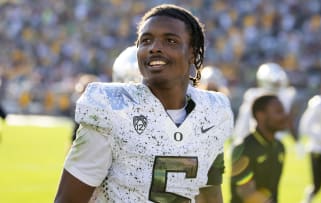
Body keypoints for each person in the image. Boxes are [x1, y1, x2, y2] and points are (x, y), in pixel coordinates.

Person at [54, 4, 234, 203]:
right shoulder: (110, 107)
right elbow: (68, 199)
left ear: (193, 52)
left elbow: (210, 192)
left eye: (170, 41)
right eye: (146, 40)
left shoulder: (213, 112)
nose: (155, 47)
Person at [229, 95, 288, 203]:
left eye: (283, 111)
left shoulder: (280, 147)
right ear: (261, 115)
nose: (284, 116)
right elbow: (244, 190)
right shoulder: (243, 147)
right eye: (278, 112)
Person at [232, 62, 301, 150]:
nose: (276, 83)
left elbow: (288, 120)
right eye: (274, 82)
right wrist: (238, 138)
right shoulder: (254, 96)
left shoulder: (285, 95)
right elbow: (244, 120)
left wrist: (296, 140)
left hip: (277, 138)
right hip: (257, 137)